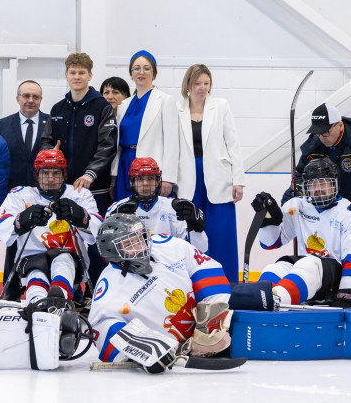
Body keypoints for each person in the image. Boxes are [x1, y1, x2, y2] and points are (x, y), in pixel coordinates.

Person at [88, 213, 278, 374]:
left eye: (141, 238)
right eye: (131, 244)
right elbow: (102, 328)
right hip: (178, 356)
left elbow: (204, 265)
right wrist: (144, 353)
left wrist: (213, 313)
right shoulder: (109, 289)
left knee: (266, 297)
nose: (142, 246)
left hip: (216, 327)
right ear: (112, 252)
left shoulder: (164, 245)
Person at [0, 149, 102, 304]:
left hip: (71, 260)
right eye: (45, 173)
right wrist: (21, 220)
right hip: (31, 260)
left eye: (56, 173)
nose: (50, 179)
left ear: (64, 174)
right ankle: (38, 302)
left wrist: (81, 217)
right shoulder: (20, 195)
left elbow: (99, 230)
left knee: (63, 259)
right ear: (36, 174)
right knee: (36, 271)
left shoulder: (79, 194)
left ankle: (58, 298)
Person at [252, 158, 351, 307]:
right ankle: (258, 298)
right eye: (313, 184)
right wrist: (270, 220)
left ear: (335, 183)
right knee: (274, 268)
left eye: (323, 183)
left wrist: (347, 295)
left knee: (310, 263)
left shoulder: (350, 214)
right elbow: (270, 243)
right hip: (306, 271)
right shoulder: (297, 205)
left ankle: (275, 301)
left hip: (333, 278)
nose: (317, 188)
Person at [174, 64, 245, 280]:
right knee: (190, 230)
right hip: (187, 176)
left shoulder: (221, 106)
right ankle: (193, 281)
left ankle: (228, 281)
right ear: (188, 85)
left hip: (218, 176)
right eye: (197, 83)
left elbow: (233, 143)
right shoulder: (176, 108)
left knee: (221, 232)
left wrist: (238, 180)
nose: (202, 88)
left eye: (206, 83)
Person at [283, 102, 351, 228]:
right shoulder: (313, 145)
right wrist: (297, 190)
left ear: (340, 125)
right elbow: (300, 174)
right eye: (318, 133)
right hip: (326, 205)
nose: (322, 137)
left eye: (326, 132)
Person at [40, 52, 117, 216]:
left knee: (92, 236)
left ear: (90, 75)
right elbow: (46, 141)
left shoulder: (102, 107)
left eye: (81, 72)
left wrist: (90, 174)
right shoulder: (57, 108)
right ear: (66, 75)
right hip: (62, 188)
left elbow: (108, 145)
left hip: (93, 187)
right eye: (72, 72)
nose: (77, 77)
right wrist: (51, 153)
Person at [112, 50, 179, 202]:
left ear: (154, 73)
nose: (141, 72)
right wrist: (113, 177)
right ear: (131, 73)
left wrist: (168, 178)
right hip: (125, 166)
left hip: (150, 170)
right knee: (125, 216)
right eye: (136, 68)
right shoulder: (124, 105)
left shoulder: (165, 101)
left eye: (146, 68)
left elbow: (172, 143)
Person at [108, 157, 207, 252]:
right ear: (132, 182)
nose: (146, 183)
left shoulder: (175, 208)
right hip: (132, 265)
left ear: (157, 181)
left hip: (169, 264)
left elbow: (200, 252)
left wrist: (196, 230)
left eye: (150, 178)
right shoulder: (118, 208)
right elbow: (107, 253)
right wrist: (114, 228)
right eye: (140, 179)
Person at [0, 80, 47, 190]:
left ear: (41, 100)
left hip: (43, 189)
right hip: (12, 190)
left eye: (36, 97)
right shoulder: (2, 125)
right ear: (18, 99)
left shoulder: (52, 123)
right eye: (26, 96)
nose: (31, 100)